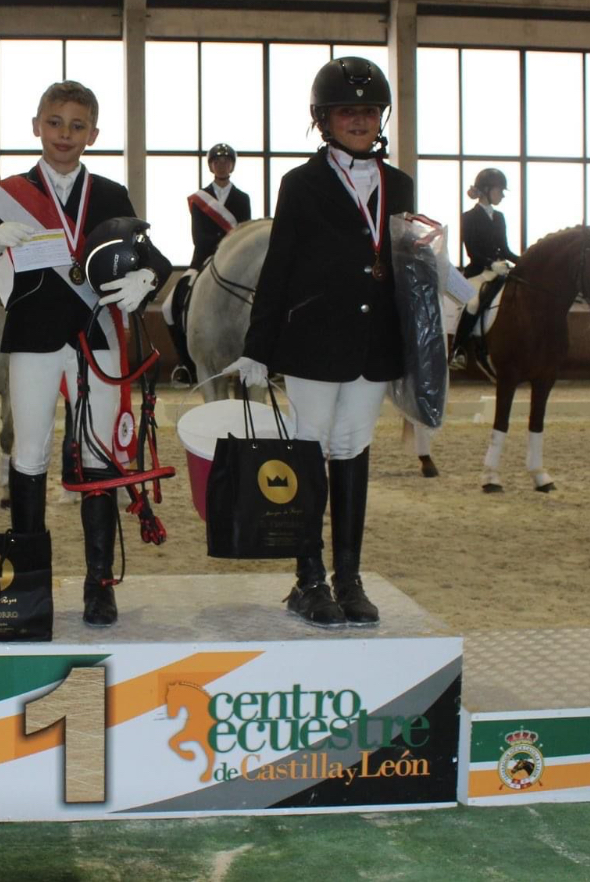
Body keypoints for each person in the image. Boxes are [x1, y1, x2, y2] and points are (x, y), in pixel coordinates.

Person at [0, 80, 170, 628]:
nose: (64, 134)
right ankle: (30, 582)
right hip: (34, 336)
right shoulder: (5, 194)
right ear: (37, 126)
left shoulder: (108, 193)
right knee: (29, 454)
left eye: (77, 125)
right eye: (54, 122)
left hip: (95, 335)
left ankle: (98, 582)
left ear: (93, 134)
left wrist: (148, 280)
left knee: (100, 457)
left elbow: (155, 255)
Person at [226, 56, 415, 629]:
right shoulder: (301, 185)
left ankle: (349, 577)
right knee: (310, 452)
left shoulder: (399, 183)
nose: (358, 121)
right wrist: (258, 347)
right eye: (346, 112)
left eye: (367, 111)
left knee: (353, 448)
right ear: (324, 120)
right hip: (314, 341)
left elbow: (406, 262)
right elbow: (279, 268)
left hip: (373, 343)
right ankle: (309, 579)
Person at [167, 143, 253, 385]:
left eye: (226, 161)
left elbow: (244, 232)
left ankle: (261, 357)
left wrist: (231, 252)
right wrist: (222, 245)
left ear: (232, 165)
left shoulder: (242, 198)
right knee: (167, 307)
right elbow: (199, 237)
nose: (222, 165)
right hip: (203, 261)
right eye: (217, 161)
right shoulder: (199, 199)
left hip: (235, 264)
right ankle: (186, 364)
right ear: (211, 165)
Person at [449, 167, 520, 375]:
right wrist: (491, 264)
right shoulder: (468, 217)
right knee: (473, 303)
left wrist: (523, 261)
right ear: (487, 190)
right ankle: (457, 350)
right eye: (500, 191)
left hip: (500, 270)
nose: (502, 195)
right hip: (478, 272)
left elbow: (505, 249)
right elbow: (472, 251)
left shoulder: (499, 217)